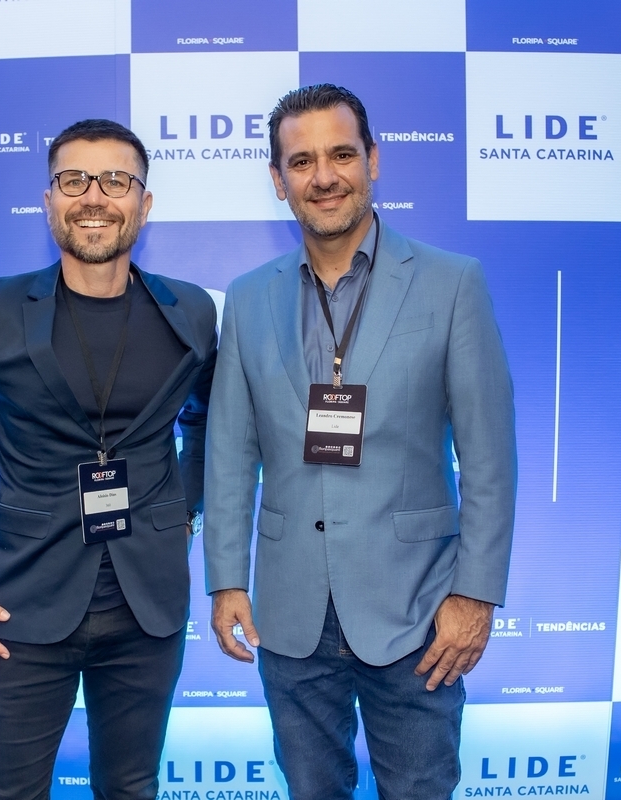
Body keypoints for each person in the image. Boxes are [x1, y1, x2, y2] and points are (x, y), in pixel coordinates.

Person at [203, 84, 516, 800]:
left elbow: (490, 459)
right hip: (289, 613)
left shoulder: (452, 283)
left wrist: (475, 595)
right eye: (302, 161)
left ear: (372, 160)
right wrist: (226, 580)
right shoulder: (248, 297)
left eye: (341, 155)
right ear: (278, 180)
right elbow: (228, 453)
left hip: (417, 612)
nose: (324, 176)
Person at [0, 118, 217, 800]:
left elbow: (208, 419)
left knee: (130, 789)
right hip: (19, 607)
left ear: (144, 204)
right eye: (74, 180)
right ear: (49, 202)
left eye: (116, 181)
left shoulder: (191, 312)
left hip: (148, 608)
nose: (94, 196)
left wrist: (183, 509)